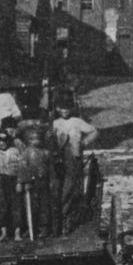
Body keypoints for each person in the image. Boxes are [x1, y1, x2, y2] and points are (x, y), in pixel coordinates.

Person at [51, 100, 98, 235]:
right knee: (60, 189)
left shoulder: (77, 121)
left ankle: (68, 220)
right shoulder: (54, 123)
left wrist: (84, 142)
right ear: (57, 109)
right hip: (59, 159)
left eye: (67, 108)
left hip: (73, 157)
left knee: (72, 187)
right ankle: (59, 220)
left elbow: (94, 131)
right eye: (61, 108)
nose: (64, 111)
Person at [17, 126, 55, 238]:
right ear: (28, 140)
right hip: (31, 183)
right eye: (32, 139)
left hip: (43, 182)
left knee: (44, 205)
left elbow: (51, 169)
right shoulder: (26, 153)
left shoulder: (46, 153)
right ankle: (31, 227)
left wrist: (52, 180)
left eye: (38, 139)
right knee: (31, 206)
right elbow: (23, 168)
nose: (35, 141)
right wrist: (24, 182)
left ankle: (44, 228)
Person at [0, 136, 22, 242]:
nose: (2, 144)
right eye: (0, 143)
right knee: (2, 206)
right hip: (2, 180)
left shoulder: (15, 151)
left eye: (4, 142)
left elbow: (21, 167)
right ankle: (3, 233)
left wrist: (19, 182)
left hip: (13, 179)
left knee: (16, 206)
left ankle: (17, 234)